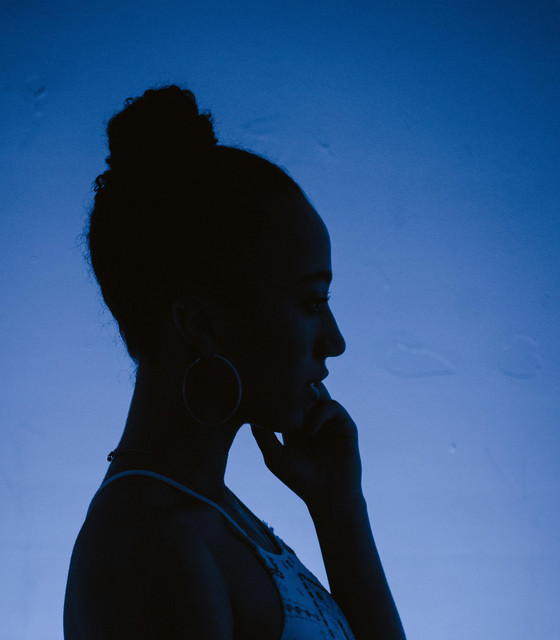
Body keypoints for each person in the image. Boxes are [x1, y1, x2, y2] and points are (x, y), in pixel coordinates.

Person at [63, 84, 406, 640]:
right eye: (311, 302)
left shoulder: (210, 518)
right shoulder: (154, 546)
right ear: (200, 324)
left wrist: (340, 510)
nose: (335, 341)